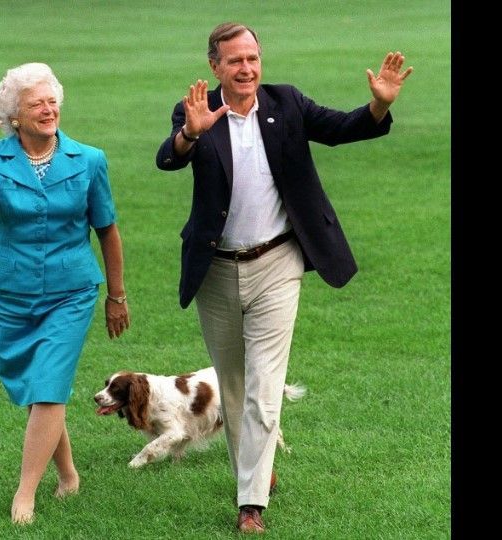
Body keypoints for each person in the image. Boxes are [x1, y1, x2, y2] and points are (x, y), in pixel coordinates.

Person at [155, 23, 412, 534]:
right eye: (234, 61)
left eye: (252, 58)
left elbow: (342, 127)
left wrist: (379, 105)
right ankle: (256, 467)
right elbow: (168, 158)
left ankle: (250, 503)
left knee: (264, 386)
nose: (246, 68)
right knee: (232, 386)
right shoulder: (197, 110)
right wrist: (190, 133)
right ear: (214, 66)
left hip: (278, 262)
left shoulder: (286, 102)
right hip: (216, 269)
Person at [0, 62, 130, 525]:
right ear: (15, 116)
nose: (48, 109)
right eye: (36, 104)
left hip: (70, 292)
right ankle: (68, 474)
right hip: (9, 294)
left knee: (50, 386)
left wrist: (116, 296)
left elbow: (107, 230)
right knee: (37, 390)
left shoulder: (89, 160)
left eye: (53, 101)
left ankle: (25, 494)